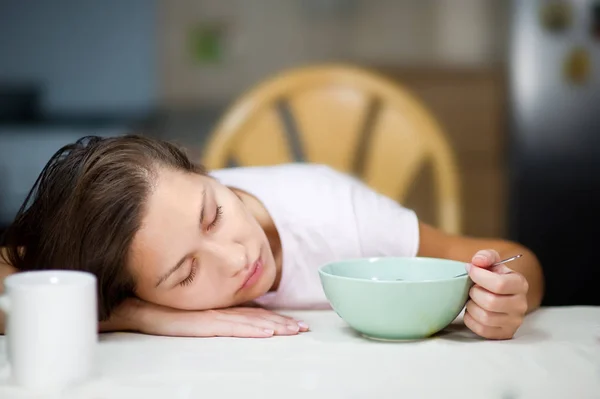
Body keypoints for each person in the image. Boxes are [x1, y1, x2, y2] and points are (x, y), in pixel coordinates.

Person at [0, 135, 543, 340]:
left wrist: (504, 293)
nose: (236, 258)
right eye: (185, 274)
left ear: (208, 174)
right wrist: (139, 316)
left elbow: (523, 262)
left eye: (212, 215)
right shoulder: (120, 259)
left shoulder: (337, 214)